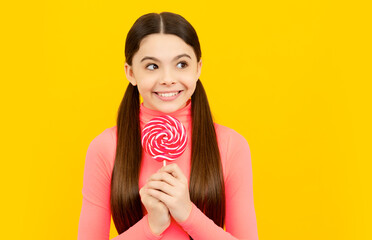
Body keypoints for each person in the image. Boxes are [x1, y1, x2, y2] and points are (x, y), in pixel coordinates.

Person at [78, 12, 258, 240]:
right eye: (152, 66)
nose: (168, 78)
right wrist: (151, 225)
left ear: (198, 68)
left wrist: (187, 213)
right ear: (130, 73)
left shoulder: (231, 145)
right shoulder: (105, 147)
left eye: (181, 64)